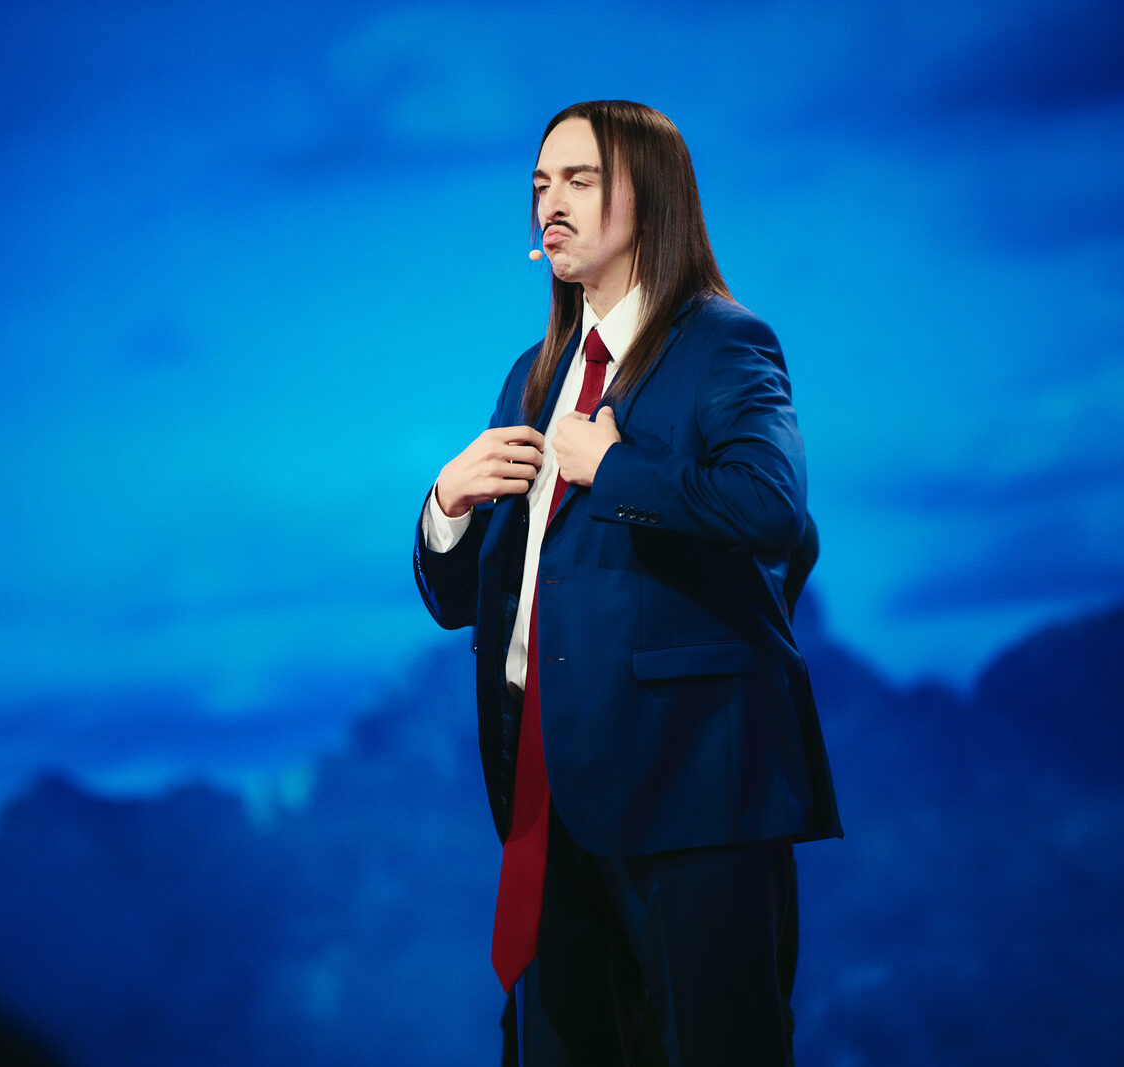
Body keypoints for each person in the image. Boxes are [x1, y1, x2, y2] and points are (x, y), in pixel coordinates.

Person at [413, 100, 841, 1065]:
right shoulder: (536, 372)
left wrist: (614, 467)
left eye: (576, 182)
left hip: (692, 782)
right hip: (549, 787)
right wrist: (445, 504)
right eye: (537, 188)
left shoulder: (724, 342)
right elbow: (463, 597)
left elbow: (772, 506)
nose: (547, 207)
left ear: (647, 201)